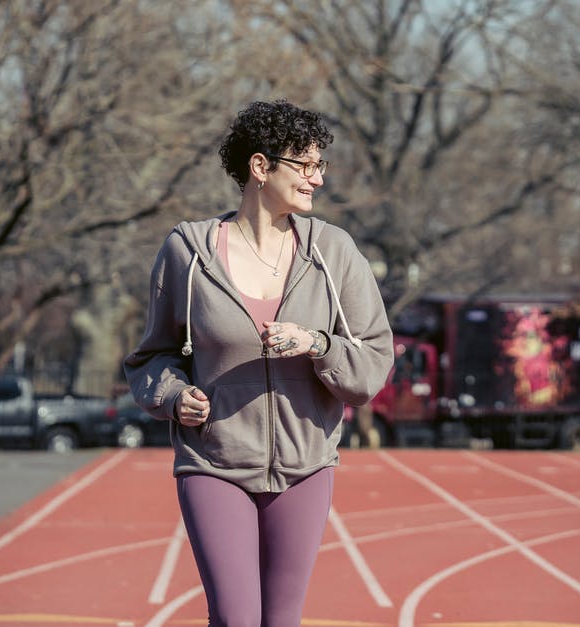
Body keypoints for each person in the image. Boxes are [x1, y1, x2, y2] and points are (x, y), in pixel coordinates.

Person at [124, 100, 393, 626]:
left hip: (305, 467)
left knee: (282, 621)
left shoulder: (334, 253)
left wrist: (318, 344)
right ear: (260, 166)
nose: (316, 178)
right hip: (214, 464)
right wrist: (176, 396)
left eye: (321, 166)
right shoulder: (189, 251)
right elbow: (150, 358)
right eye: (304, 165)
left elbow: (373, 362)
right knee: (236, 618)